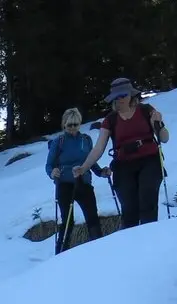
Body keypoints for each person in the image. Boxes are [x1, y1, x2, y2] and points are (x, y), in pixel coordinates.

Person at [73, 77, 170, 228]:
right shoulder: (110, 120)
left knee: (147, 201)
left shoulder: (146, 110)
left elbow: (164, 138)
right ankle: (130, 244)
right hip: (123, 165)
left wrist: (159, 123)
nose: (120, 99)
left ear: (131, 94)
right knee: (129, 209)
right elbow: (98, 148)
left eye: (123, 95)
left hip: (150, 160)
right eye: (116, 97)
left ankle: (151, 241)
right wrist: (84, 168)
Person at [46, 107, 108, 253]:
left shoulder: (86, 140)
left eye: (76, 124)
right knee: (68, 220)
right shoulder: (59, 142)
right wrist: (52, 172)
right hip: (65, 184)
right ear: (64, 125)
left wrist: (101, 172)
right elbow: (49, 165)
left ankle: (100, 250)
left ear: (80, 124)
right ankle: (61, 253)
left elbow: (91, 161)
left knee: (92, 217)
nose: (73, 128)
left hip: (84, 182)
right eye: (70, 125)